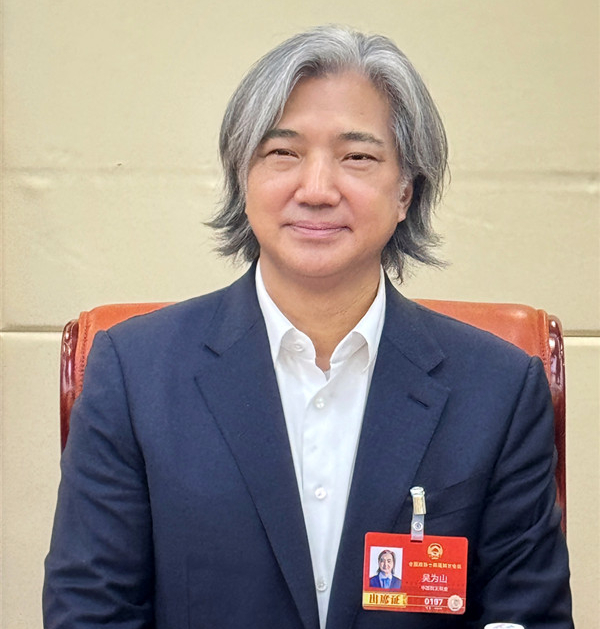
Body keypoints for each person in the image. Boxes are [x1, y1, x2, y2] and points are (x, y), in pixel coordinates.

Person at [43, 25, 573, 628]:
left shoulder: (498, 389)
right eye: (283, 153)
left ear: (406, 191)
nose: (317, 189)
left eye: (357, 157)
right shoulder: (135, 373)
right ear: (243, 179)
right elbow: (91, 610)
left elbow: (527, 615)